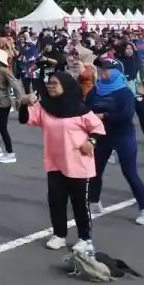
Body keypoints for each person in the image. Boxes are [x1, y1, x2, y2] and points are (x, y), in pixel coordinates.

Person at [19, 72, 105, 253]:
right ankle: (59, 235)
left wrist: (91, 142)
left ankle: (85, 238)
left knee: (80, 203)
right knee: (56, 201)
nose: (50, 86)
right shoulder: (44, 108)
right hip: (55, 162)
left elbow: (97, 127)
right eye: (48, 83)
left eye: (54, 83)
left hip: (78, 163)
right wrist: (23, 102)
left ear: (65, 85)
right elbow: (26, 118)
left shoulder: (80, 109)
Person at [86, 58, 144, 225]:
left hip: (123, 136)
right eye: (100, 68)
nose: (101, 72)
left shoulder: (125, 92)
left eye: (105, 69)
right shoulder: (95, 91)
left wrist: (104, 116)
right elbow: (86, 109)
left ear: (115, 72)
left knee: (130, 173)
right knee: (95, 170)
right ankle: (93, 202)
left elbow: (127, 114)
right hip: (102, 136)